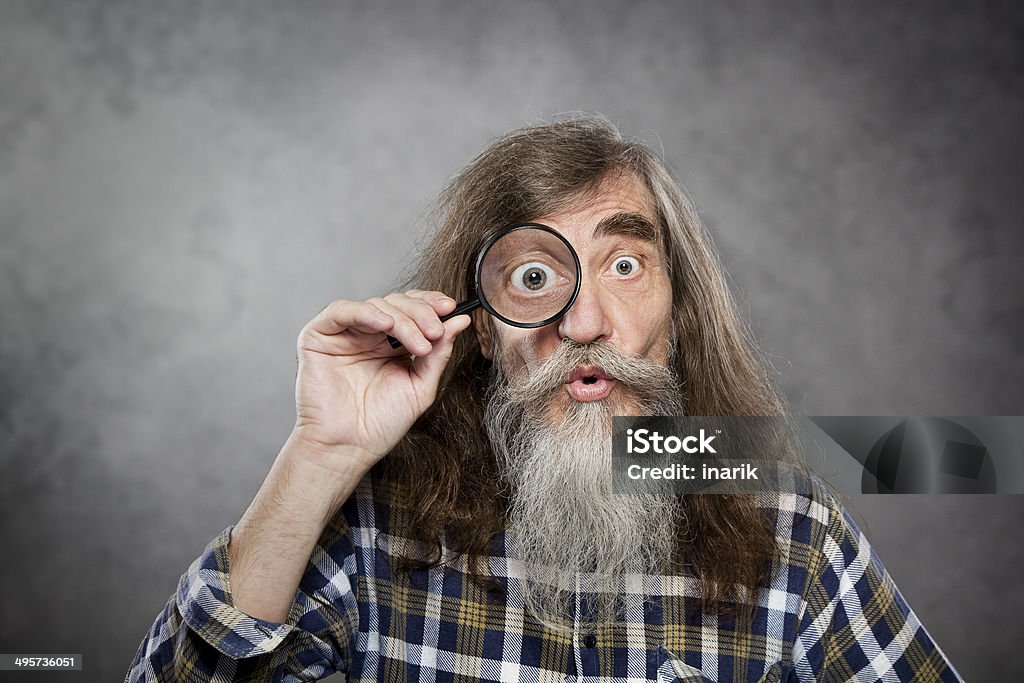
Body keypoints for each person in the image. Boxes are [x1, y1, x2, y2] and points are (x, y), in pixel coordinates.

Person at [126, 116, 962, 682]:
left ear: (678, 310)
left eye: (625, 266)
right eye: (534, 278)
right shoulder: (372, 525)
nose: (586, 321)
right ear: (483, 328)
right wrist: (319, 458)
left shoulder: (792, 530)